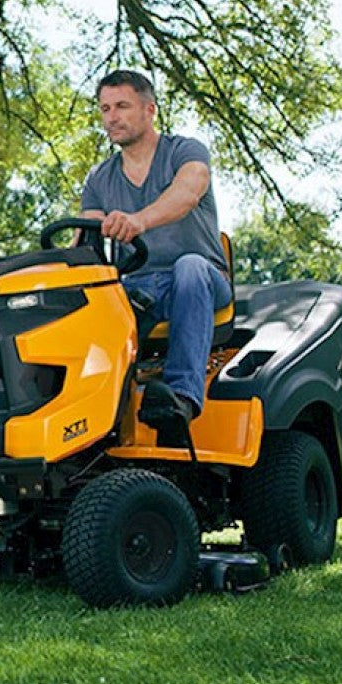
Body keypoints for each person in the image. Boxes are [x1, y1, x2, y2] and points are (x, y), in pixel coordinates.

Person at [77, 69, 231, 435]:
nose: (111, 117)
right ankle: (88, 413)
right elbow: (87, 242)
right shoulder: (100, 178)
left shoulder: (185, 152)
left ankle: (181, 397)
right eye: (104, 109)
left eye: (122, 106)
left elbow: (187, 193)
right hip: (139, 287)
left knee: (189, 266)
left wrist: (139, 221)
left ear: (150, 110)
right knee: (82, 301)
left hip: (201, 281)